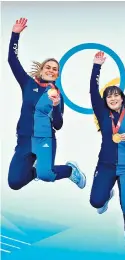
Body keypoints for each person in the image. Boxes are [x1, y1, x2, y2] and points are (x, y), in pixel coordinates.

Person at [7, 17, 86, 190]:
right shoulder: (28, 84)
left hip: (44, 139)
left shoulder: (57, 95)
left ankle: (69, 170)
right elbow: (12, 60)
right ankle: (35, 170)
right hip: (24, 139)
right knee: (14, 182)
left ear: (57, 75)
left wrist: (57, 106)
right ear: (42, 70)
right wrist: (15, 35)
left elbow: (58, 125)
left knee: (47, 175)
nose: (51, 70)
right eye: (48, 67)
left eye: (55, 69)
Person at [89, 51, 125, 251]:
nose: (112, 99)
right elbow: (92, 91)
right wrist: (97, 66)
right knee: (96, 203)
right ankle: (106, 194)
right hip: (105, 165)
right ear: (105, 101)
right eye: (109, 96)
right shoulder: (103, 115)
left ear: (122, 98)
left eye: (116, 95)